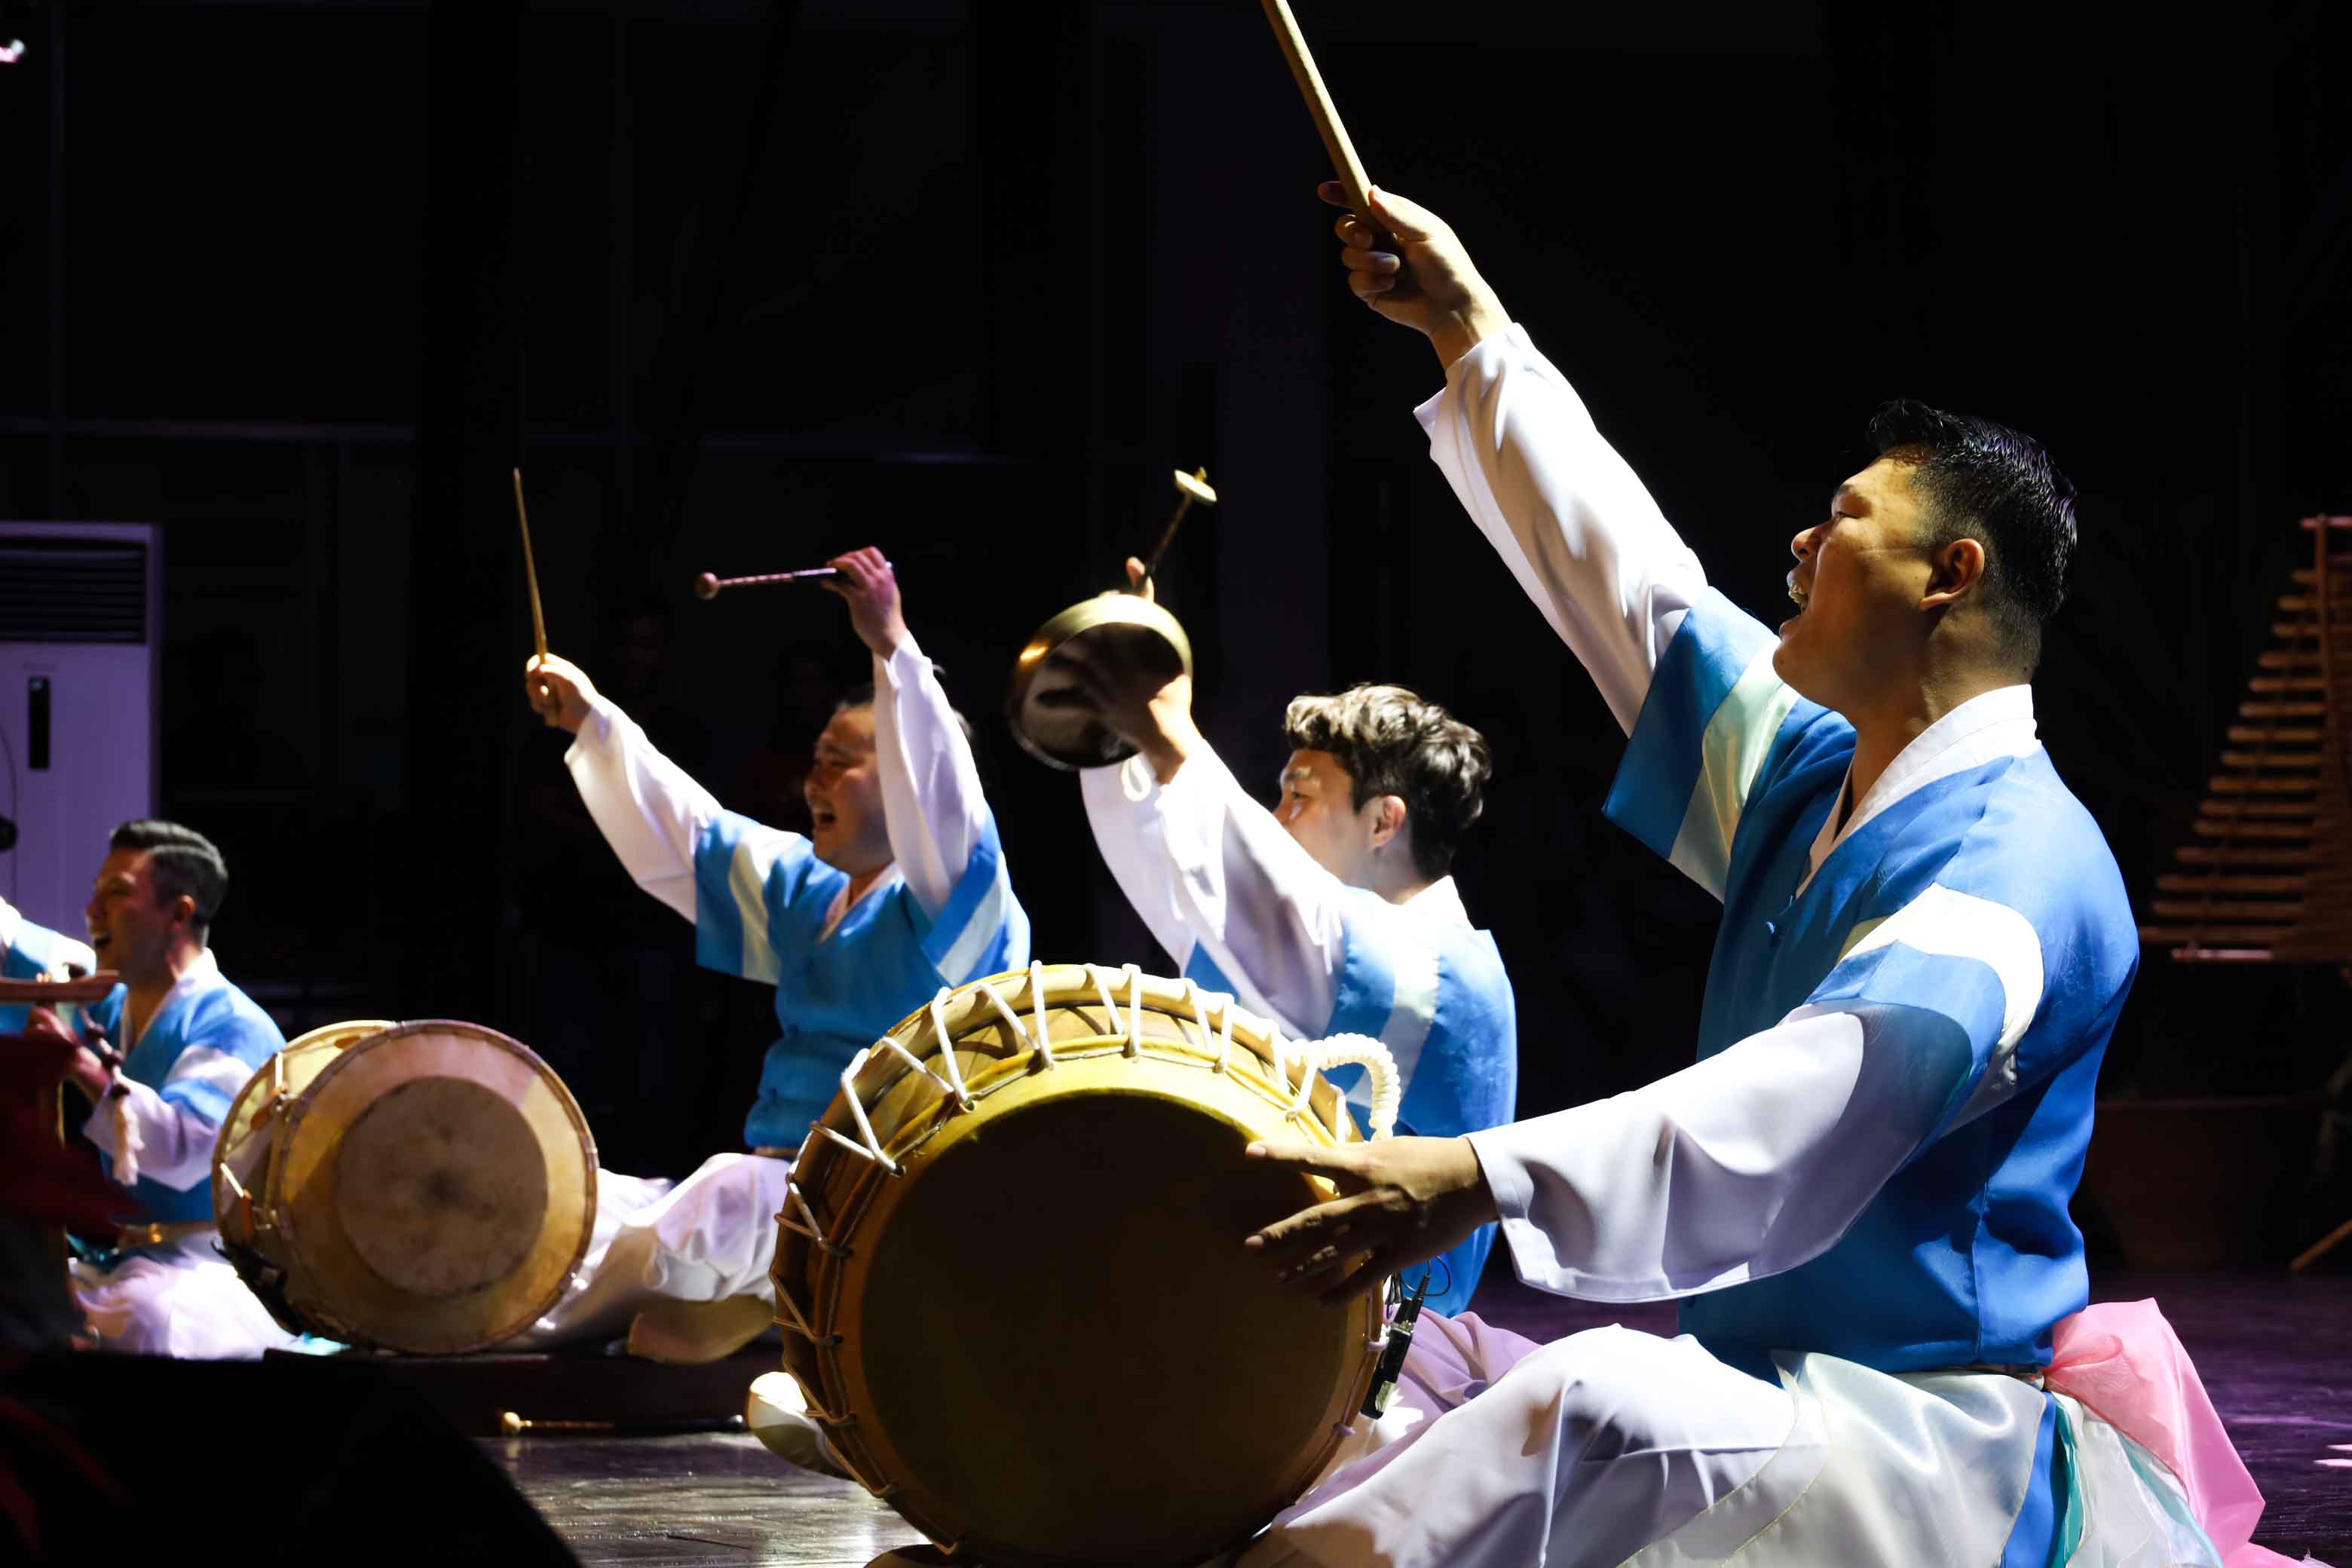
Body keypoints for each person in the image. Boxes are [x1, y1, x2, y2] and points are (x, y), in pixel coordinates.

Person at [1228, 183, 2294, 1566]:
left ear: (1949, 577)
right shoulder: (1816, 779)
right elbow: (1636, 589)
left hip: (1923, 1438)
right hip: (1778, 1394)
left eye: (1843, 520)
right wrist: (1466, 325)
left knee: (1584, 1403)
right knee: (1430, 1369)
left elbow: (1809, 1102)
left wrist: (1479, 1173)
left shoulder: (2019, 867)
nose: (1798, 543)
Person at [519, 547, 1031, 1361]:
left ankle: (505, 1327)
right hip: (795, 1197)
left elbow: (942, 796)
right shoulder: (816, 893)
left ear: (897, 779)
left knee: (717, 1201)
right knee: (603, 1204)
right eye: (815, 757)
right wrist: (592, 719)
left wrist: (891, 642)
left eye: (841, 761)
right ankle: (743, 1306)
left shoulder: (958, 905)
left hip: (888, 1201)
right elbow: (689, 836)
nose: (812, 781)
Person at [1073, 569, 1516, 1315]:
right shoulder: (1325, 953)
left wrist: (1170, 733)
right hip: (1291, 1333)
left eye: (1299, 796)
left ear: (1383, 822)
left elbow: (1257, 888)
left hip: (1388, 1373)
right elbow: (1174, 869)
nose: (1277, 819)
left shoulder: (1442, 972)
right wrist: (1127, 736)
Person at [5, 825, 297, 1358]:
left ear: (178, 915)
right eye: (96, 892)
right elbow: (36, 954)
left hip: (204, 1266)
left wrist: (78, 1063)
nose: (91, 908)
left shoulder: (232, 1025)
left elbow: (181, 1152)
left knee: (151, 1325)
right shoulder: (117, 1005)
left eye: (115, 894)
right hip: (123, 1262)